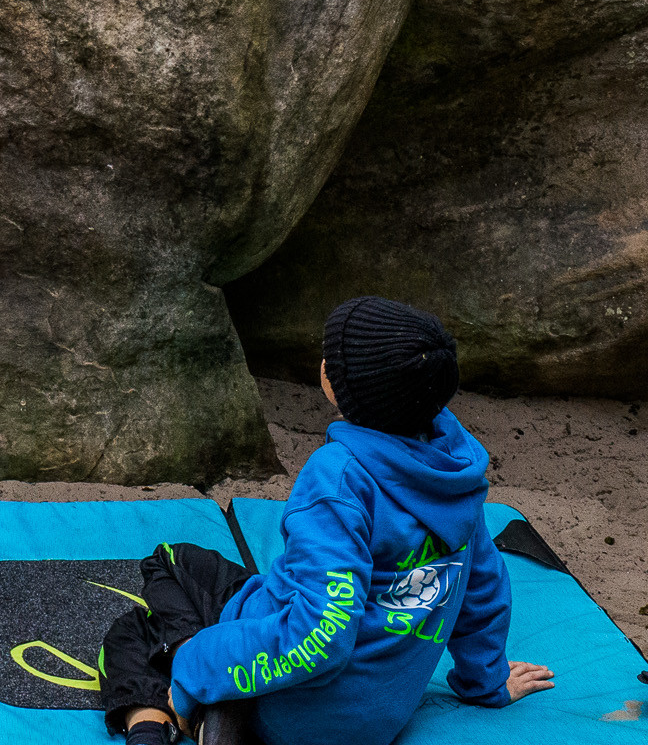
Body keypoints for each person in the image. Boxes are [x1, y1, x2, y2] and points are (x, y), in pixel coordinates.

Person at [102, 297, 555, 745]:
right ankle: (218, 691)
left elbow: (323, 633)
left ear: (338, 386)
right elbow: (483, 590)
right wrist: (487, 682)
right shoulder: (454, 470)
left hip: (293, 716)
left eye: (331, 357)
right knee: (226, 597)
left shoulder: (339, 478)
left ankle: (193, 711)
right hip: (378, 721)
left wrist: (196, 669)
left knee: (148, 602)